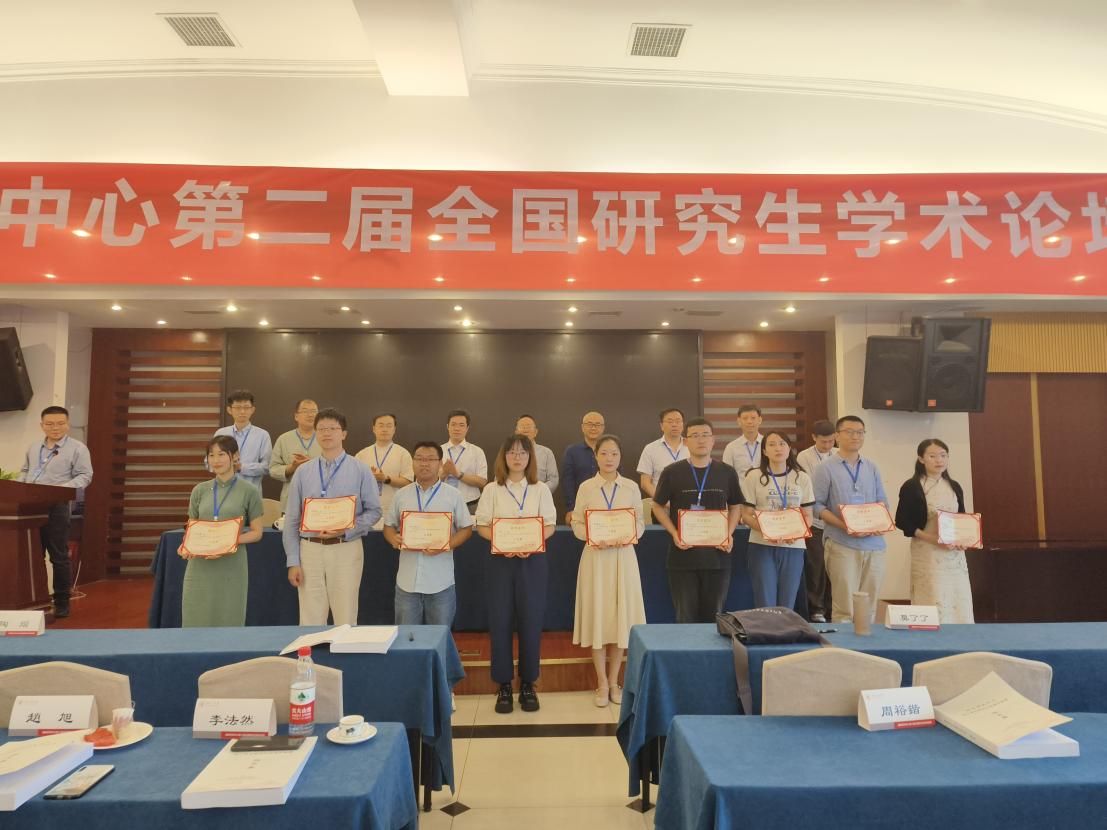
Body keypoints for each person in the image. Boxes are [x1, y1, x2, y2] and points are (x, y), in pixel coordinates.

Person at [475, 434, 556, 714]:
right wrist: (503, 543)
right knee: (500, 622)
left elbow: (550, 525)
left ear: (530, 457)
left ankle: (528, 683)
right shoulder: (492, 489)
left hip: (532, 561)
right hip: (500, 562)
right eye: (512, 452)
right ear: (504, 456)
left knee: (531, 621)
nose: (517, 457)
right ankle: (504, 685)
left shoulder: (540, 489)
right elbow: (482, 526)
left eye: (523, 452)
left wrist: (530, 544)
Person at [282, 408, 382, 626]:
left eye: (332, 428)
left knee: (345, 614)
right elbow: (291, 520)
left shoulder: (361, 470)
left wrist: (347, 530)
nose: (326, 433)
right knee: (310, 616)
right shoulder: (303, 472)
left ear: (344, 434)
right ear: (316, 433)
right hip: (310, 549)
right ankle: (310, 651)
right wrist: (293, 561)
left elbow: (375, 511)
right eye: (321, 429)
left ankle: (343, 651)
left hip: (346, 547)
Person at [571, 434, 646, 707]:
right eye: (603, 453)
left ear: (620, 457)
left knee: (620, 619)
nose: (609, 458)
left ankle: (615, 681)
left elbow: (639, 522)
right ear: (596, 456)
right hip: (596, 558)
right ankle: (601, 683)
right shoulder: (586, 487)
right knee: (599, 618)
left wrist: (629, 536)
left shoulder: (631, 487)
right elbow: (577, 523)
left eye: (614, 453)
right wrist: (593, 537)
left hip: (623, 558)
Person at [651, 417, 743, 623]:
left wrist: (729, 534)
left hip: (718, 558)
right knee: (685, 619)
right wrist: (674, 533)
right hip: (682, 559)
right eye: (695, 435)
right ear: (685, 441)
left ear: (713, 440)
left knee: (714, 619)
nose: (701, 440)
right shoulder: (672, 472)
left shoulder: (727, 472)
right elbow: (657, 506)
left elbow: (736, 506)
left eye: (705, 435)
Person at [812, 415, 893, 623]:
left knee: (869, 605)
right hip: (842, 543)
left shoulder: (872, 467)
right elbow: (817, 506)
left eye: (860, 432)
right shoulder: (825, 468)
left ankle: (866, 641)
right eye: (849, 432)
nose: (855, 436)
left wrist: (880, 522)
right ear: (837, 436)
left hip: (874, 545)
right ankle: (844, 644)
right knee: (845, 608)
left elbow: (883, 502)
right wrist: (844, 525)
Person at [383, 441, 473, 626]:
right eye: (419, 459)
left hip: (441, 582)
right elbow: (388, 526)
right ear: (413, 462)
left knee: (439, 636)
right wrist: (393, 539)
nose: (424, 463)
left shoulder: (453, 495)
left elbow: (466, 529)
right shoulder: (401, 494)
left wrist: (446, 544)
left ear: (440, 463)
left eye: (430, 459)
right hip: (407, 582)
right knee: (407, 637)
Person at [179, 436, 264, 627]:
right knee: (195, 618)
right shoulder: (199, 490)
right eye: (211, 455)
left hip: (231, 564)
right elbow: (191, 528)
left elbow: (257, 533)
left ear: (235, 456)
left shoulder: (249, 491)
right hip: (200, 565)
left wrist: (227, 542)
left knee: (229, 618)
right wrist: (185, 546)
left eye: (221, 454)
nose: (216, 460)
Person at [17, 405, 93, 618]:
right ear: (42, 425)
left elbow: (85, 476)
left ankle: (61, 602)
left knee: (58, 556)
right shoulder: (34, 447)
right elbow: (25, 471)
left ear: (67, 425)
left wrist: (61, 490)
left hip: (57, 507)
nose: (55, 427)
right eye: (50, 424)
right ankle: (37, 598)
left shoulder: (77, 448)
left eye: (60, 423)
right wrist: (19, 487)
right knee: (33, 555)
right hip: (30, 508)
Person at [895, 439, 974, 624]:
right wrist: (929, 538)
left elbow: (961, 517)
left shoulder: (954, 486)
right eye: (932, 456)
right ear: (921, 459)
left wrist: (964, 539)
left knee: (958, 597)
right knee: (933, 595)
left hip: (954, 555)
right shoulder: (912, 486)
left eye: (943, 455)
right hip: (927, 550)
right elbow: (902, 521)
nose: (939, 460)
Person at [740, 431, 814, 609]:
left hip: (793, 545)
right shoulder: (754, 476)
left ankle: (784, 629)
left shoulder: (802, 477)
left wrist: (796, 533)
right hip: (762, 545)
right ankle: (767, 628)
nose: (778, 448)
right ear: (764, 451)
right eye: (772, 444)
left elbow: (808, 515)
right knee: (765, 600)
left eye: (782, 444)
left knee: (788, 602)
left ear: (789, 448)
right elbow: (746, 515)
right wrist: (768, 532)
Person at [795, 419, 838, 622]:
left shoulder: (838, 454)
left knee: (834, 566)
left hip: (835, 521)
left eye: (831, 441)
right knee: (816, 567)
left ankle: (832, 607)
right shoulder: (804, 457)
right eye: (823, 441)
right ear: (814, 438)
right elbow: (811, 487)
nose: (828, 445)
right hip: (814, 520)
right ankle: (816, 608)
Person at [356, 413, 414, 530]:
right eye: (381, 425)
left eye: (389, 425)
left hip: (395, 509)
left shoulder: (403, 453)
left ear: (394, 429)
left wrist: (386, 479)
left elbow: (408, 482)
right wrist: (368, 478)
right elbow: (354, 483)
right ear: (374, 429)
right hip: (367, 511)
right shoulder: (362, 455)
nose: (385, 429)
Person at [212, 390, 272, 494]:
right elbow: (208, 462)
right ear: (229, 410)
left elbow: (267, 467)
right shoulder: (221, 433)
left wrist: (241, 467)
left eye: (246, 407)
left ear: (252, 410)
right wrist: (222, 465)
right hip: (223, 492)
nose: (242, 411)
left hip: (251, 494)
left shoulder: (262, 435)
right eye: (238, 407)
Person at [269, 399, 323, 513]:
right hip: (291, 500)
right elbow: (272, 469)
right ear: (296, 416)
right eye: (305, 411)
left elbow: (335, 466)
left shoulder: (326, 437)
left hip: (320, 500)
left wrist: (314, 464)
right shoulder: (284, 439)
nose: (310, 415)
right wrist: (292, 467)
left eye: (314, 411)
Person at [440, 409, 488, 514]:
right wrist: (443, 474)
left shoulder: (477, 451)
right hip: (442, 504)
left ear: (467, 428)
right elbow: (429, 481)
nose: (457, 428)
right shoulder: (438, 451)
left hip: (470, 505)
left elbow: (482, 482)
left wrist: (458, 474)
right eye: (453, 424)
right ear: (447, 427)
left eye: (461, 425)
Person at [562, 410, 605, 522]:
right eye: (589, 424)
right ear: (582, 427)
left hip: (606, 506)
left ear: (603, 428)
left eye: (597, 424)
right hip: (580, 507)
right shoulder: (572, 451)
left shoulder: (610, 451)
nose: (593, 428)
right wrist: (571, 508)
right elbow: (568, 482)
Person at [636, 408, 689, 498]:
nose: (674, 424)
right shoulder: (650, 449)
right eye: (670, 421)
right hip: (661, 503)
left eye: (678, 421)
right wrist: (661, 499)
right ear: (661, 426)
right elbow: (645, 483)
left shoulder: (692, 446)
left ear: (683, 424)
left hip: (689, 501)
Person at [514, 414, 560, 492]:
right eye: (522, 426)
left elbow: (553, 480)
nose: (525, 429)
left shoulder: (547, 453)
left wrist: (537, 492)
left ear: (535, 432)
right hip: (513, 497)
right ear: (516, 432)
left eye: (528, 426)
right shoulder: (508, 453)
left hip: (540, 496)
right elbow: (499, 478)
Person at [721, 404, 763, 477]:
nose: (749, 421)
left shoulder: (768, 443)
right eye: (745, 418)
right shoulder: (731, 447)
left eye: (753, 418)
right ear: (739, 421)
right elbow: (726, 475)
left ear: (760, 420)